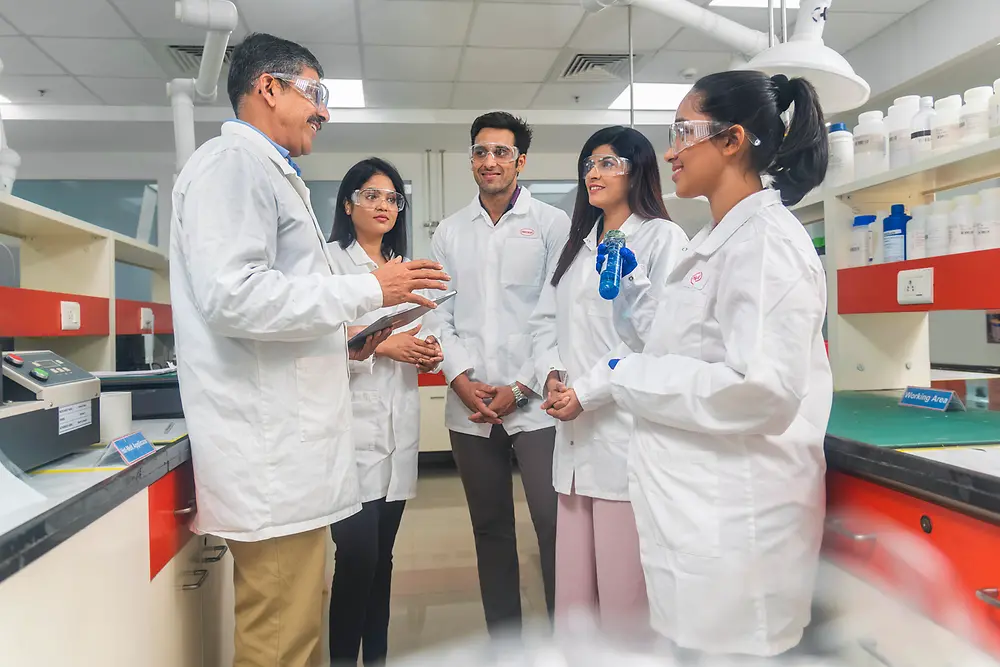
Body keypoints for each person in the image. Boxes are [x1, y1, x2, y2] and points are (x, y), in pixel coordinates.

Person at [169, 33, 449, 667]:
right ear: (269, 88)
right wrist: (367, 289)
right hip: (269, 457)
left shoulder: (266, 172)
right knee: (278, 639)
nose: (323, 110)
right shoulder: (231, 166)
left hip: (291, 454)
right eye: (315, 93)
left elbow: (280, 306)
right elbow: (233, 296)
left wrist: (346, 343)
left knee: (294, 630)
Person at [597, 71, 833, 657]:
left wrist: (627, 376)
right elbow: (691, 347)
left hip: (739, 522)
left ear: (732, 140)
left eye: (683, 131)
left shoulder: (764, 244)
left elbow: (762, 389)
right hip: (701, 516)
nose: (670, 151)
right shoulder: (721, 238)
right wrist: (637, 293)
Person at [528, 126, 688, 639]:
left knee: (624, 596)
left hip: (623, 437)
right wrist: (551, 374)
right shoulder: (576, 247)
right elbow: (543, 324)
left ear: (638, 169)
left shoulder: (662, 238)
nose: (593, 174)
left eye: (608, 163)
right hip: (572, 445)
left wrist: (587, 392)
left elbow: (657, 340)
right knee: (574, 595)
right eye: (588, 165)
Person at [423, 111, 570, 635]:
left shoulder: (553, 225)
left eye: (501, 152)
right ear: (471, 159)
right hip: (471, 404)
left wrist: (522, 386)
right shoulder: (449, 232)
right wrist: (460, 379)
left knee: (553, 525)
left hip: (534, 403)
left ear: (520, 161)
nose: (490, 161)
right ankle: (505, 640)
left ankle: (562, 639)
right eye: (481, 151)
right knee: (489, 528)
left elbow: (558, 314)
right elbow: (437, 313)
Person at [325, 157, 444, 667]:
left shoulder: (403, 268)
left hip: (396, 434)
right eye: (370, 195)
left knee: (383, 562)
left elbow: (403, 335)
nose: (383, 205)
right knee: (357, 559)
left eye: (393, 198)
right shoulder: (327, 264)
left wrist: (423, 348)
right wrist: (379, 346)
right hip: (348, 436)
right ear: (348, 202)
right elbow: (315, 345)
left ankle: (377, 657)